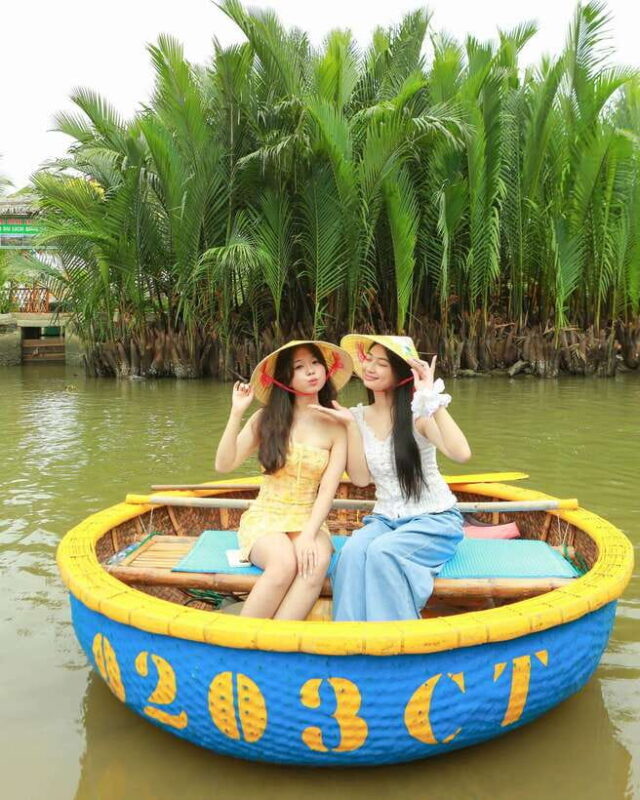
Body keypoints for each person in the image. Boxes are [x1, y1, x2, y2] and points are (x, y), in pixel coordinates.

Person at [312, 335, 471, 621]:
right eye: (369, 360)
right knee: (351, 554)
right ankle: (349, 636)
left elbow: (461, 453)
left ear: (400, 373)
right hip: (385, 520)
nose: (370, 367)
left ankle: (397, 639)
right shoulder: (356, 416)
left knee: (382, 553)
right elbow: (360, 479)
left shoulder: (419, 414)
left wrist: (432, 400)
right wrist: (350, 427)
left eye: (381, 364)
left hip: (434, 520)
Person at [214, 340, 352, 620]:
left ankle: (278, 639)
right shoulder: (265, 419)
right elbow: (223, 465)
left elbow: (327, 490)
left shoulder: (338, 425)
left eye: (315, 363)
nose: (311, 371)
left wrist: (310, 535)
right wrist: (236, 412)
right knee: (283, 562)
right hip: (267, 516)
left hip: (309, 518)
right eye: (299, 367)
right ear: (285, 378)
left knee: (315, 562)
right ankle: (243, 638)